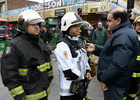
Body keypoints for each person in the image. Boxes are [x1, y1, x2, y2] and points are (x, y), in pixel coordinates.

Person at [85, 7, 139, 100]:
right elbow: (113, 54)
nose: (107, 24)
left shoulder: (124, 36)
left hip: (114, 84)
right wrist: (96, 48)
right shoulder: (123, 32)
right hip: (117, 82)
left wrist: (105, 79)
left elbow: (119, 65)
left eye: (109, 21)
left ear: (118, 20)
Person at [1, 9, 53, 100]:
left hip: (43, 93)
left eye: (38, 24)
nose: (37, 27)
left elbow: (46, 62)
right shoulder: (14, 45)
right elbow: (9, 73)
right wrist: (19, 95)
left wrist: (50, 76)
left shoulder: (40, 41)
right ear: (23, 26)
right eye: (33, 24)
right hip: (28, 96)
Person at [54, 12, 92, 100]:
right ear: (67, 27)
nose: (78, 28)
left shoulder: (79, 41)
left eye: (79, 25)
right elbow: (69, 71)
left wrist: (88, 71)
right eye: (75, 26)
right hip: (69, 94)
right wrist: (84, 77)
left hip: (81, 89)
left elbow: (84, 61)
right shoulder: (62, 45)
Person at [124, 16, 140, 100]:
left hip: (137, 75)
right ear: (134, 26)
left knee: (133, 94)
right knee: (124, 94)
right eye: (139, 25)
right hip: (128, 73)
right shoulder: (130, 37)